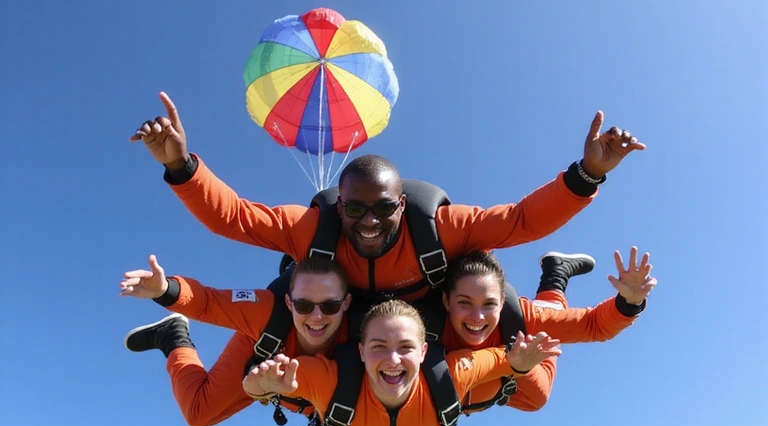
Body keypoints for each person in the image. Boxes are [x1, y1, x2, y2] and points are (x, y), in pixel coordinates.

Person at [130, 92, 646, 299]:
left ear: (403, 204)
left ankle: (553, 277)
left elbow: (520, 221)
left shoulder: (440, 227)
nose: (368, 221)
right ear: (339, 206)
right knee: (204, 413)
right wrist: (179, 165)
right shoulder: (315, 229)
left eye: (382, 208)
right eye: (354, 209)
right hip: (345, 317)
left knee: (531, 390)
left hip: (421, 315)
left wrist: (586, 175)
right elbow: (235, 220)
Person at [241, 299, 561, 426]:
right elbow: (254, 386)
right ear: (361, 351)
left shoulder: (455, 371)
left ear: (424, 352)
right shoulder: (330, 378)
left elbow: (506, 359)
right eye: (379, 347)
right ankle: (185, 337)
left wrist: (519, 366)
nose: (393, 360)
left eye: (405, 348)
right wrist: (261, 385)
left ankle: (554, 278)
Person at [120, 256, 352, 426]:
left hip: (295, 388)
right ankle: (173, 336)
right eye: (304, 305)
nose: (317, 316)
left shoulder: (362, 334)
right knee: (198, 412)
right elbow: (209, 302)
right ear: (289, 302)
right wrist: (164, 289)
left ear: (346, 303)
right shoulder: (267, 311)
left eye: (330, 306)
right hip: (261, 347)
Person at [442, 247, 656, 413]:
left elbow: (593, 325)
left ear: (502, 302)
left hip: (523, 334)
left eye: (489, 304)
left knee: (537, 396)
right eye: (465, 303)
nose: (477, 317)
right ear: (446, 301)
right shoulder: (425, 327)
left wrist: (630, 301)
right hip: (474, 381)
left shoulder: (519, 318)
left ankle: (557, 273)